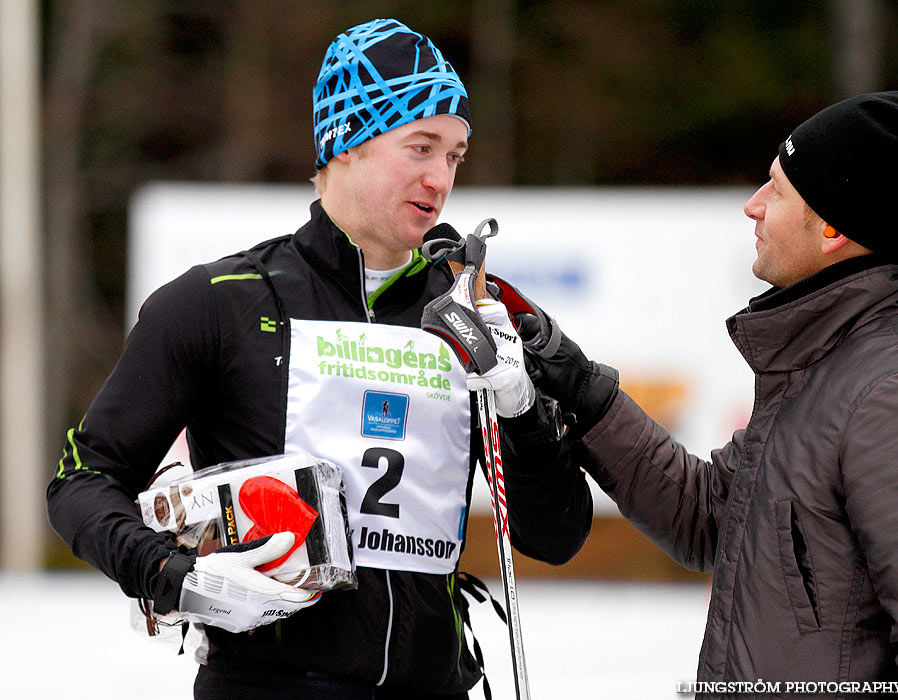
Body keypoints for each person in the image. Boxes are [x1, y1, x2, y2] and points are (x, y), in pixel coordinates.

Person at [47, 18, 592, 700]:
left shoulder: (472, 316)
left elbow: (557, 533)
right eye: (420, 146)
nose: (440, 177)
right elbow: (82, 480)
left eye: (454, 155)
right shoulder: (220, 302)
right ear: (347, 143)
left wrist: (521, 409)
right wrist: (172, 575)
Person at [518, 91, 898, 696]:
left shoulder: (889, 389)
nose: (753, 206)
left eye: (777, 190)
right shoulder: (826, 367)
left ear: (835, 228)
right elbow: (710, 517)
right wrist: (579, 387)